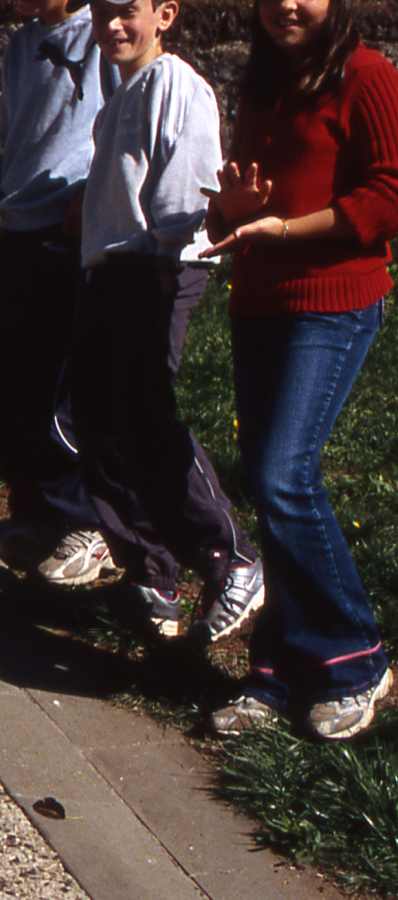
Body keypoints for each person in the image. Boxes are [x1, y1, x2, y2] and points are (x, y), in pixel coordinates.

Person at [200, 0, 398, 740]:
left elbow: (389, 194)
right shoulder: (262, 85)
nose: (287, 2)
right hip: (261, 302)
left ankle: (357, 659)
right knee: (267, 484)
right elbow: (243, 214)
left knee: (286, 476)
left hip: (333, 302)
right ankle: (280, 667)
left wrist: (286, 228)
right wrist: (235, 211)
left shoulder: (367, 75)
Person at [66, 0, 263, 640]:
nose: (113, 27)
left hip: (158, 266)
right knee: (98, 420)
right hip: (110, 269)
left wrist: (161, 262)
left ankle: (228, 556)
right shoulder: (118, 100)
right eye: (101, 15)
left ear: (165, 15)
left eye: (127, 12)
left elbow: (186, 189)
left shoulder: (175, 82)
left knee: (142, 410)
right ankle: (149, 572)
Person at [0, 0, 118, 584]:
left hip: (68, 228)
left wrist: (95, 187)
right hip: (19, 226)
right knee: (6, 383)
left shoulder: (104, 34)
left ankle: (84, 523)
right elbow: (19, 139)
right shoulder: (23, 44)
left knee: (55, 385)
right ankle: (31, 513)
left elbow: (125, 121)